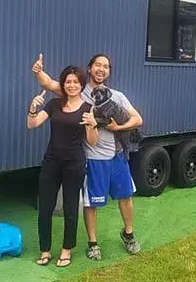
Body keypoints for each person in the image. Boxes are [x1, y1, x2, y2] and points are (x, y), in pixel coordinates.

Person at [32, 53, 143, 260]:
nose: (101, 69)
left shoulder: (116, 95)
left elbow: (137, 119)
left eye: (106, 67)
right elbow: (49, 84)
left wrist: (119, 126)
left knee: (125, 196)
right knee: (91, 203)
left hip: (117, 155)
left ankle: (128, 234)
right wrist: (38, 71)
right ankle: (93, 244)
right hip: (92, 157)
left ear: (109, 72)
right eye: (98, 65)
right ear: (90, 68)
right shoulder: (78, 92)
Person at [27, 64, 99, 268]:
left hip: (74, 163)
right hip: (51, 161)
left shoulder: (87, 108)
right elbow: (32, 124)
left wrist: (93, 125)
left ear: (82, 84)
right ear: (63, 84)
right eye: (68, 81)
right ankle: (45, 249)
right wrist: (33, 108)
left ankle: (67, 249)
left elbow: (92, 141)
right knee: (45, 208)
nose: (72, 85)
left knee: (70, 208)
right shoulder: (54, 104)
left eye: (76, 81)